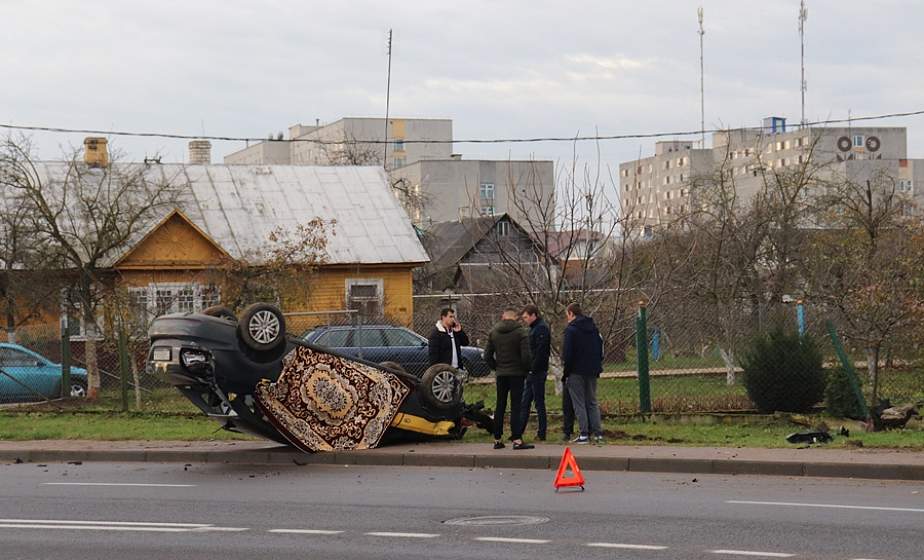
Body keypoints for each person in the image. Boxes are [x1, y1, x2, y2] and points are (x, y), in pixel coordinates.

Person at [484, 307, 534, 450]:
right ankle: (517, 439)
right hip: (517, 374)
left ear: (502, 317)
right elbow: (526, 356)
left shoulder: (494, 333)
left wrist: (497, 367)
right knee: (516, 406)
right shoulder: (521, 333)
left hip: (501, 374)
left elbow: (487, 356)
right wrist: (525, 369)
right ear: (515, 318)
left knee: (500, 405)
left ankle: (497, 439)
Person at [561, 302, 604, 444]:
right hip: (592, 370)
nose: (567, 318)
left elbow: (568, 354)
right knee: (592, 401)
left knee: (578, 403)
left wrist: (566, 373)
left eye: (567, 314)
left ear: (571, 313)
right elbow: (600, 349)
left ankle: (584, 434)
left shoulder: (571, 330)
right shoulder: (593, 328)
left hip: (576, 371)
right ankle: (598, 433)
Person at [519, 304, 551, 441]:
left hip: (537, 372)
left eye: (526, 317)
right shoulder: (534, 329)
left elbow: (541, 352)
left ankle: (542, 432)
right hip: (532, 372)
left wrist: (533, 368)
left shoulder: (541, 329)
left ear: (533, 315)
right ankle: (518, 431)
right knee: (525, 402)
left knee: (539, 402)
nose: (525, 320)